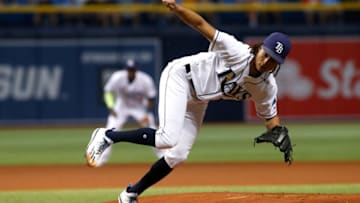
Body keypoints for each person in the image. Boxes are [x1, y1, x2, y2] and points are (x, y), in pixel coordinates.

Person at [85, 0, 293, 202]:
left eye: (273, 60)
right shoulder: (237, 51)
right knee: (166, 138)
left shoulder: (267, 87)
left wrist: (277, 132)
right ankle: (107, 135)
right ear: (260, 47)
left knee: (178, 155)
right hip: (181, 77)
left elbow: (270, 117)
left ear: (279, 64)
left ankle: (131, 193)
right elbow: (201, 24)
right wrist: (177, 8)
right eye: (266, 54)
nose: (266, 61)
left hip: (199, 99)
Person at [97, 59, 157, 166]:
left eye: (133, 70)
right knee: (109, 130)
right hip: (121, 107)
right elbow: (107, 92)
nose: (131, 72)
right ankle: (99, 160)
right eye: (129, 69)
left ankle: (165, 157)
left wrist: (146, 113)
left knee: (153, 131)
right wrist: (111, 107)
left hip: (139, 108)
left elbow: (151, 99)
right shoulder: (117, 77)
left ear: (136, 70)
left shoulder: (145, 80)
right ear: (126, 70)